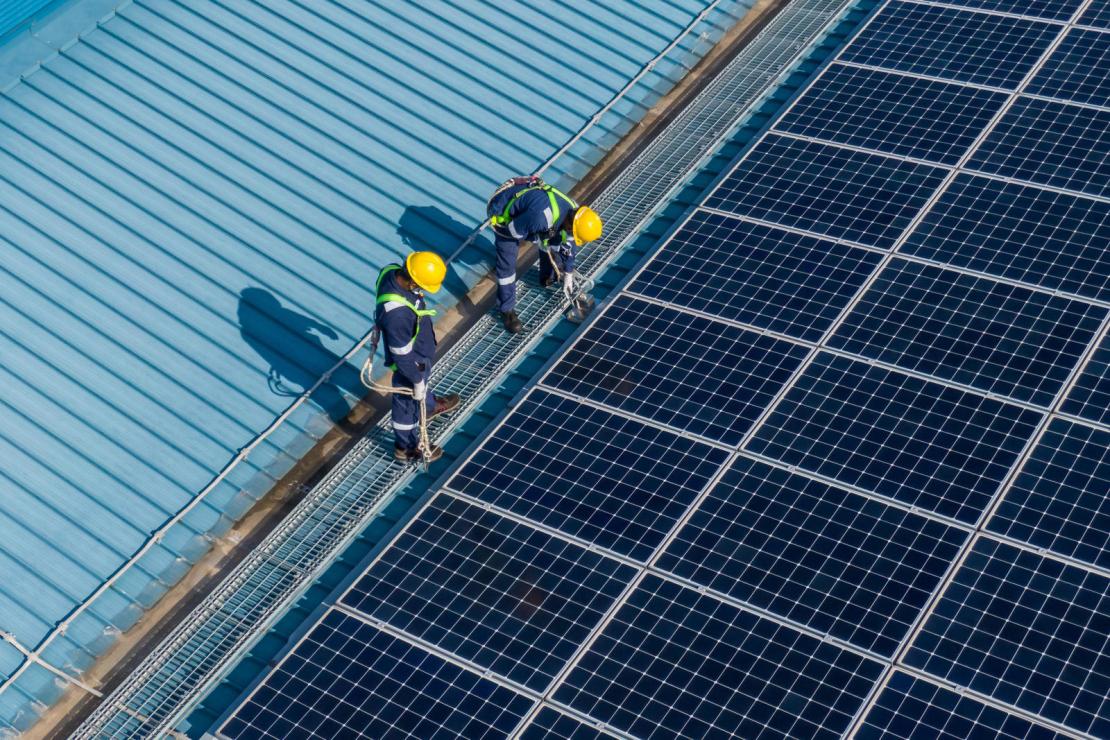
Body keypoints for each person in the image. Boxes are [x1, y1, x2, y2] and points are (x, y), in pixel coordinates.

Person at [485, 176, 603, 333]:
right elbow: (513, 231)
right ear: (571, 225)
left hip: (533, 211)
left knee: (553, 239)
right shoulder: (541, 218)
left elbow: (569, 242)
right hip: (503, 214)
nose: (573, 237)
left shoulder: (574, 211)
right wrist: (540, 237)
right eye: (573, 233)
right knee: (507, 264)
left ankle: (548, 275)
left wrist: (568, 271)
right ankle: (506, 310)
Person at [375, 251, 459, 462]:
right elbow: (402, 357)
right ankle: (407, 448)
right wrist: (415, 379)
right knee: (406, 401)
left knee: (420, 389)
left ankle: (428, 407)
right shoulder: (397, 314)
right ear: (413, 282)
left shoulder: (391, 272)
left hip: (417, 348)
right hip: (411, 361)